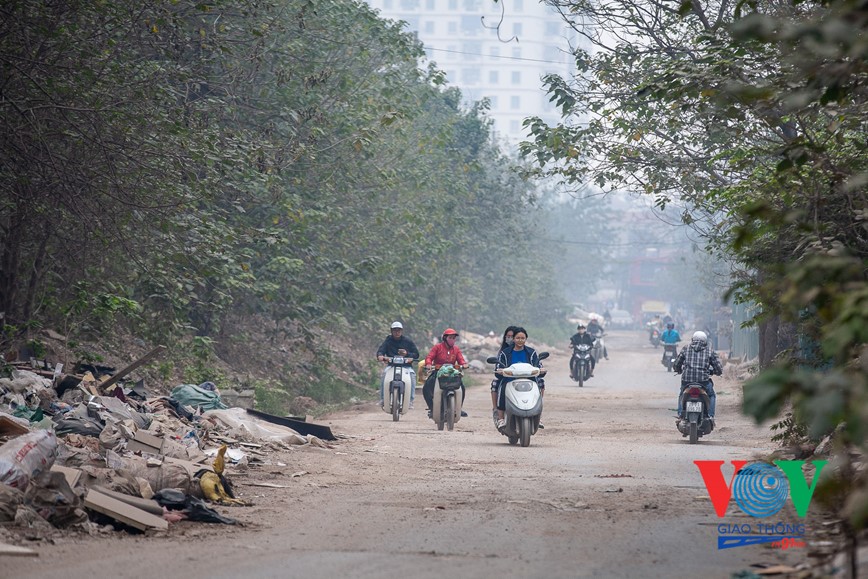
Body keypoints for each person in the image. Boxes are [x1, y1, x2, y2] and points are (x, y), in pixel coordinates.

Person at [494, 327, 545, 430]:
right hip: (509, 380)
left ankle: (538, 416)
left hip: (530, 380)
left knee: (540, 385)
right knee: (502, 388)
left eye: (522, 338)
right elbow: (498, 367)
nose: (520, 340)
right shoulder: (505, 353)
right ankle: (500, 418)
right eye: (518, 338)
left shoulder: (532, 352)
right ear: (514, 339)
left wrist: (541, 369)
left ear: (526, 339)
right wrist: (500, 370)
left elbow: (538, 365)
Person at [673, 330, 723, 424]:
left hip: (687, 381)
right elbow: (718, 367)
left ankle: (680, 414)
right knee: (711, 395)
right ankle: (710, 416)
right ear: (705, 341)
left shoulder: (686, 348)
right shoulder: (709, 351)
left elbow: (677, 364)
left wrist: (678, 369)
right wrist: (717, 372)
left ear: (693, 339)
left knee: (681, 394)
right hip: (703, 382)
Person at [423, 328, 469, 418]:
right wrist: (428, 364)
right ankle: (432, 408)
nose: (452, 340)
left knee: (462, 387)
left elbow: (461, 360)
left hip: (452, 373)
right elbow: (429, 357)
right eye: (450, 337)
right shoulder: (437, 347)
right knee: (426, 388)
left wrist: (464, 364)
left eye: (454, 338)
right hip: (438, 372)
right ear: (444, 338)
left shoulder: (456, 349)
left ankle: (458, 408)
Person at [376, 321, 420, 409]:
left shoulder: (407, 341)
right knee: (384, 375)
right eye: (395, 330)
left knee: (412, 376)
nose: (397, 332)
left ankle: (410, 401)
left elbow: (416, 354)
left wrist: (407, 354)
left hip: (406, 366)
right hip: (392, 365)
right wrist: (380, 355)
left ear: (402, 331)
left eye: (399, 330)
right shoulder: (388, 340)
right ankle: (383, 399)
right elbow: (381, 350)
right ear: (391, 331)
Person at [490, 326, 518, 418]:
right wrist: (500, 371)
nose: (509, 338)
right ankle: (496, 410)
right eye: (508, 336)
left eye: (512, 336)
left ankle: (538, 411)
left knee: (539, 382)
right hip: (507, 378)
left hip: (522, 377)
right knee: (496, 384)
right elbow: (498, 366)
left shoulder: (526, 351)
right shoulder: (503, 352)